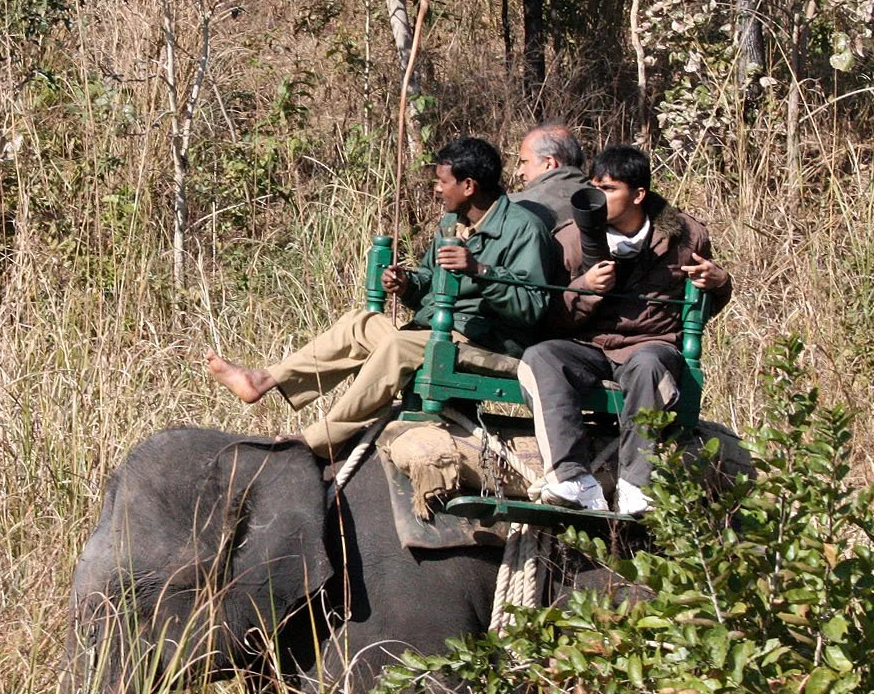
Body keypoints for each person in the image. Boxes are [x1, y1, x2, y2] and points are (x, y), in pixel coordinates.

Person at [207, 136, 565, 457]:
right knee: (360, 324)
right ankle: (262, 381)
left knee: (399, 345)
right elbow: (431, 282)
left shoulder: (523, 230)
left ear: (468, 185)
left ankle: (321, 440)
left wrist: (480, 271)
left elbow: (531, 307)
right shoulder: (450, 224)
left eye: (442, 182)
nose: (436, 190)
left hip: (490, 345)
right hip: (440, 332)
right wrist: (407, 284)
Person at [519, 143, 733, 513]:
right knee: (542, 356)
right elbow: (550, 318)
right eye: (594, 187)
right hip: (588, 346)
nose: (597, 198)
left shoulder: (686, 236)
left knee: (649, 365)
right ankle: (572, 479)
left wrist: (719, 281)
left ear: (638, 195)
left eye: (609, 189)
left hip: (650, 345)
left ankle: (636, 485)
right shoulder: (570, 237)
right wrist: (585, 289)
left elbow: (704, 306)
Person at [510, 124, 590, 230]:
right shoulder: (603, 197)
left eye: (525, 162)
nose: (519, 172)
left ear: (549, 163)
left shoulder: (516, 206)